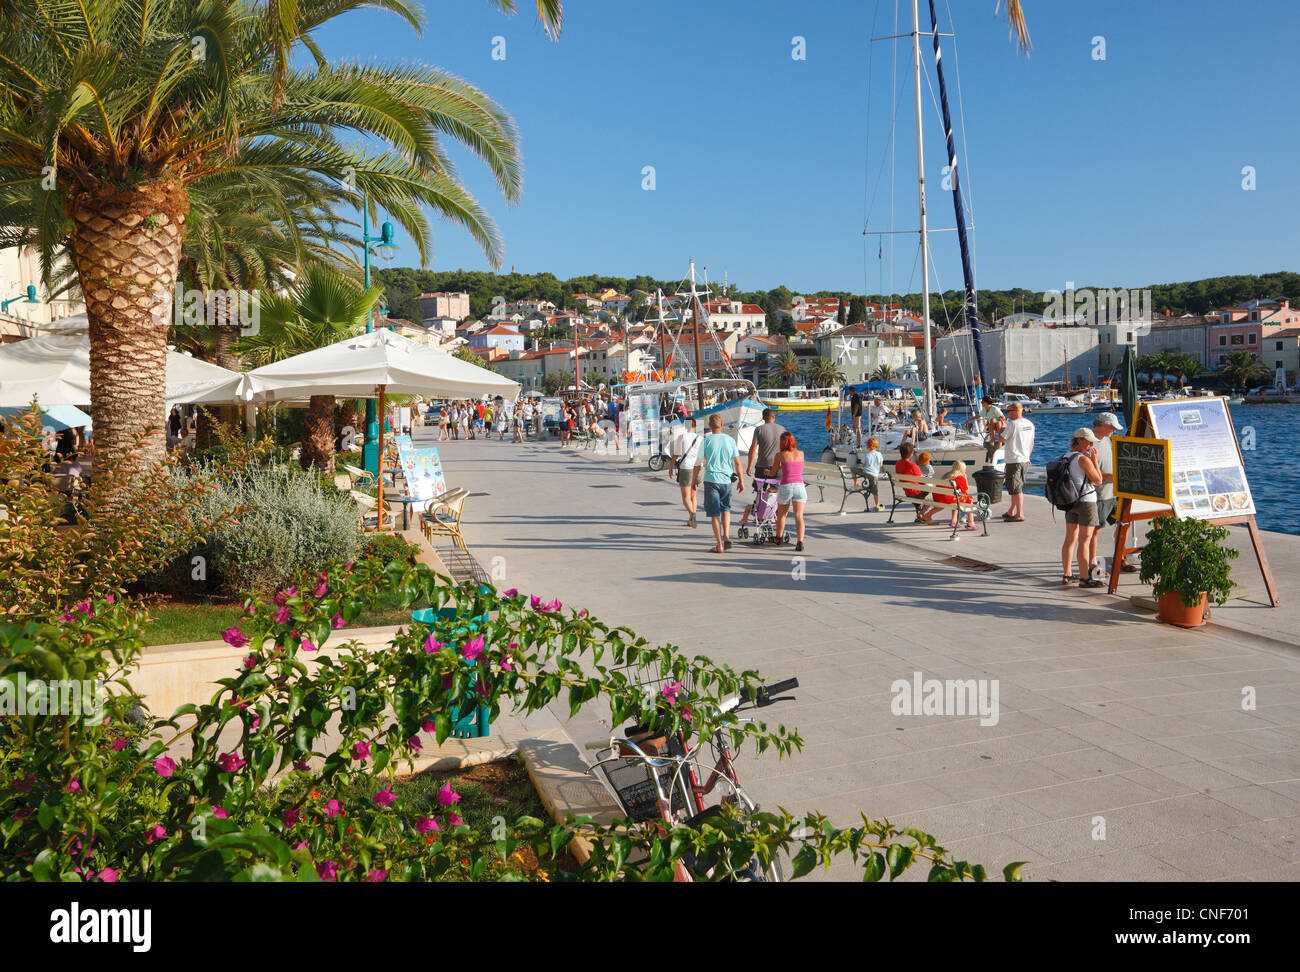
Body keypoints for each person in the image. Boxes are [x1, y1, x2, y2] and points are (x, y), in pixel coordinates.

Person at [1058, 427, 1105, 588]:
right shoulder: (1083, 459)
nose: (1092, 444)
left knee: (1070, 539)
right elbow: (1098, 480)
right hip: (1086, 502)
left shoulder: (1065, 457)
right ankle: (1085, 578)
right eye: (1089, 441)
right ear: (1080, 441)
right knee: (1085, 541)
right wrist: (1095, 461)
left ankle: (1067, 574)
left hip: (1070, 501)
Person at [692, 413, 743, 553]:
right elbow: (738, 463)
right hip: (726, 480)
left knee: (714, 514)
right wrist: (741, 481)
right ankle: (726, 536)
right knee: (726, 509)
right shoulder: (730, 440)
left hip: (711, 480)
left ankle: (719, 544)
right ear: (721, 425)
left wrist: (694, 480)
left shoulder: (706, 441)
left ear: (710, 426)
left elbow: (698, 463)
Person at [1089, 412, 1125, 576]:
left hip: (1114, 492)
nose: (1114, 431)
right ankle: (1093, 563)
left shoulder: (1107, 440)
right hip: (1100, 495)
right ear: (1102, 425)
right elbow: (1088, 472)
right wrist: (1111, 477)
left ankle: (1120, 557)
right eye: (1112, 427)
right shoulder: (1090, 443)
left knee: (1122, 524)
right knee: (1095, 530)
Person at [769, 431, 807, 552]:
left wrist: (767, 472)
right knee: (799, 516)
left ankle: (778, 538)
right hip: (800, 486)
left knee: (781, 515)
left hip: (786, 486)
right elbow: (799, 470)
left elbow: (773, 472)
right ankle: (800, 542)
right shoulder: (801, 453)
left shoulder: (780, 455)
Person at [1000, 401, 1035, 522]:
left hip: (1014, 460)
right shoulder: (1030, 424)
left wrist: (1003, 427)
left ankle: (1020, 514)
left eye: (1009, 411)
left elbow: (1002, 438)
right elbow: (1032, 442)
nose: (1008, 413)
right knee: (1017, 487)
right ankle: (1011, 511)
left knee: (1016, 489)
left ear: (1015, 411)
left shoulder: (1012, 424)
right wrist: (1028, 456)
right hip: (1024, 459)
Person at [672, 418, 702, 528]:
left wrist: (671, 466)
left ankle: (692, 514)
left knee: (686, 498)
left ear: (686, 426)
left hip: (686, 468)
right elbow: (702, 456)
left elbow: (676, 454)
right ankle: (691, 520)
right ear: (695, 426)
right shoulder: (700, 438)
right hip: (698, 468)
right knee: (693, 496)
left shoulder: (682, 437)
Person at [895, 441, 936, 523]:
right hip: (916, 493)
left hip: (907, 492)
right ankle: (922, 514)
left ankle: (920, 513)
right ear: (911, 453)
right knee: (934, 494)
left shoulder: (898, 463)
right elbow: (922, 479)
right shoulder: (913, 466)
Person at [936, 459, 977, 531]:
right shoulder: (960, 477)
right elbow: (967, 492)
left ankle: (954, 521)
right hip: (947, 498)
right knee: (969, 498)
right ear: (962, 469)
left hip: (939, 497)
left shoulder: (946, 475)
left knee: (956, 497)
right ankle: (971, 523)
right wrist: (965, 479)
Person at [859, 436, 884, 510]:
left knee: (853, 470)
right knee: (875, 490)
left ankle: (856, 482)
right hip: (874, 475)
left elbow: (863, 465)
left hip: (866, 473)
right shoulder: (879, 454)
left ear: (867, 446)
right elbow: (881, 464)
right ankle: (877, 505)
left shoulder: (866, 455)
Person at [978, 395, 1004, 463]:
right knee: (992, 420)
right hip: (992, 425)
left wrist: (997, 421)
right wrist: (969, 420)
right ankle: (993, 439)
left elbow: (1003, 417)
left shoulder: (995, 409)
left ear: (986, 402)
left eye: (982, 402)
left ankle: (998, 441)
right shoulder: (985, 409)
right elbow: (978, 416)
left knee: (994, 420)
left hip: (999, 424)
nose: (981, 403)